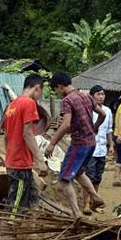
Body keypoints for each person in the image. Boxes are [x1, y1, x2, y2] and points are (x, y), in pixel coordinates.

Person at [45, 71, 106, 217]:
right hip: (91, 142)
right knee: (79, 172)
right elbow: (102, 114)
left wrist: (52, 143)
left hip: (79, 144)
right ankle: (96, 198)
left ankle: (76, 213)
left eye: (56, 90)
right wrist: (95, 127)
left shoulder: (67, 100)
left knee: (64, 179)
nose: (58, 94)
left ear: (60, 86)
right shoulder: (86, 96)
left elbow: (66, 124)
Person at [3, 73, 49, 213]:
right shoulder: (29, 103)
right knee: (15, 205)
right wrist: (40, 160)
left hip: (15, 162)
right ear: (37, 88)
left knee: (33, 200)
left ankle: (30, 230)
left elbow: (6, 136)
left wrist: (8, 156)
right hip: (20, 164)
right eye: (41, 92)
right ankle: (7, 232)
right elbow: (27, 133)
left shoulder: (12, 105)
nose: (40, 96)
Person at [83, 85, 114, 214]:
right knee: (88, 177)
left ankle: (93, 202)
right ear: (92, 96)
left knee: (97, 177)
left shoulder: (107, 111)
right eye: (98, 94)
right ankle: (85, 204)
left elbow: (109, 130)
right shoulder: (88, 110)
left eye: (103, 94)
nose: (101, 96)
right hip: (90, 149)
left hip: (102, 149)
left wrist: (111, 145)